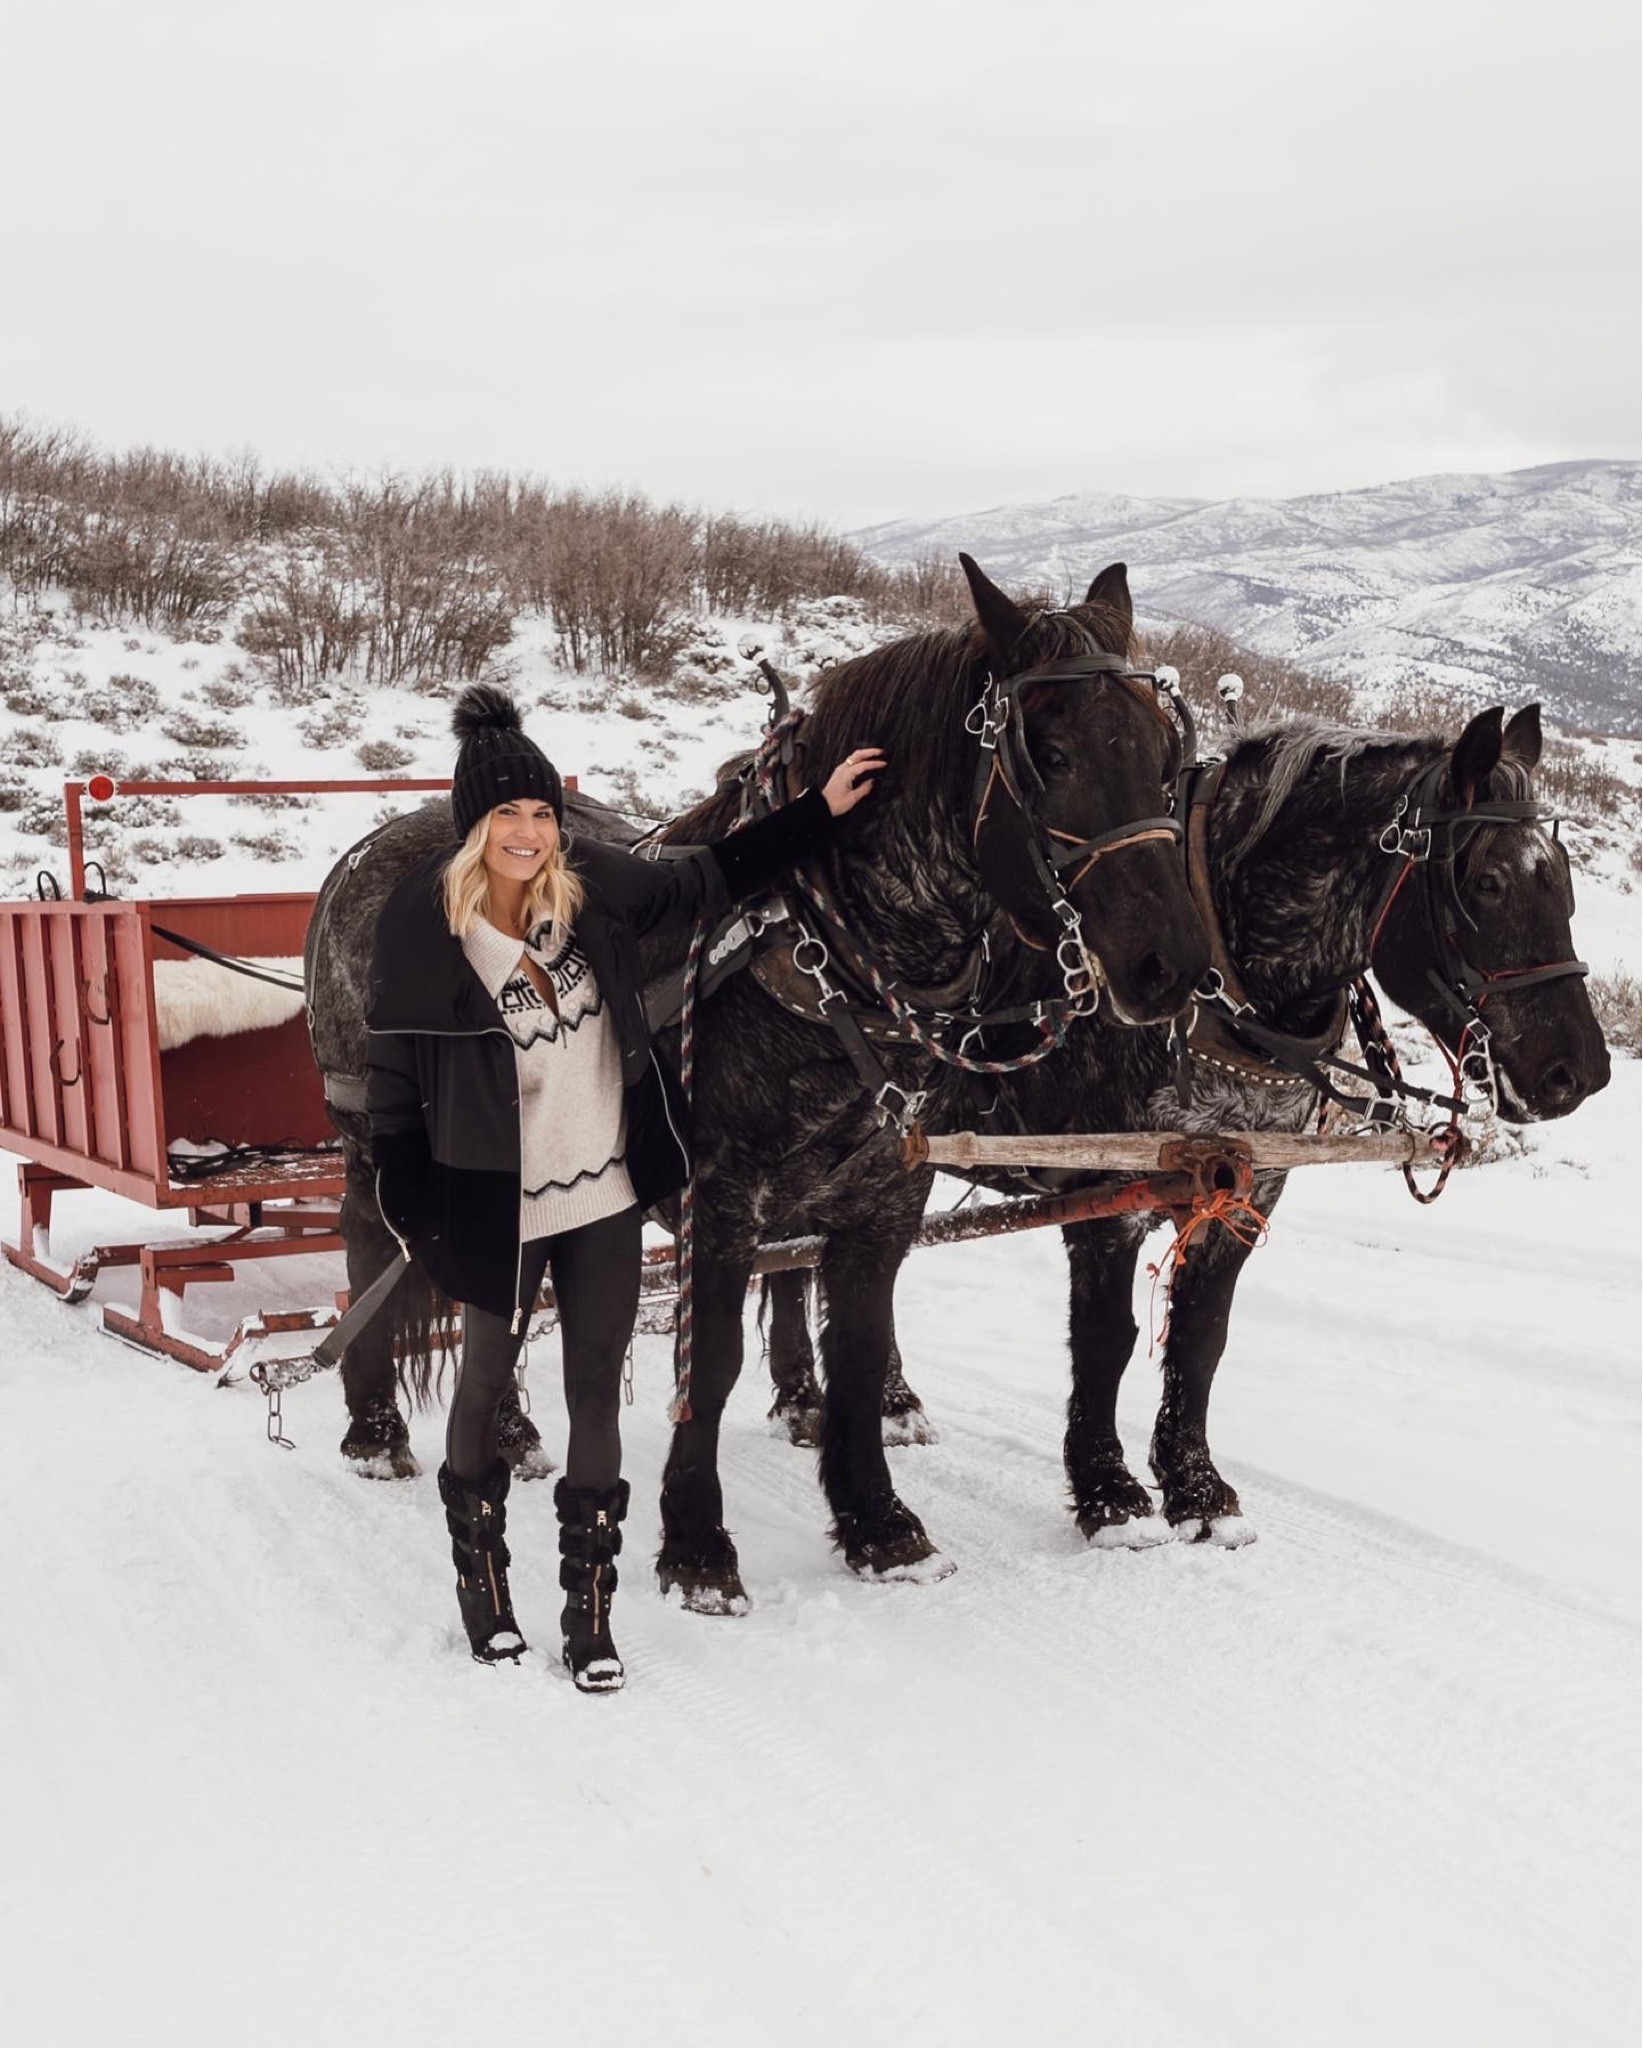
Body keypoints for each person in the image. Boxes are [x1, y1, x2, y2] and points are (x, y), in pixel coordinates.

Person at [366, 683, 884, 1690]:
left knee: (596, 1390)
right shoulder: (422, 924)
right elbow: (390, 1088)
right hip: (490, 1199)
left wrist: (817, 809)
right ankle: (485, 1589)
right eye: (506, 815)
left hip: (600, 1190)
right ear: (472, 825)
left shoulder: (589, 883)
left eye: (541, 813)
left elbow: (704, 880)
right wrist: (410, 1206)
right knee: (483, 1380)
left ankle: (588, 1613)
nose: (527, 832)